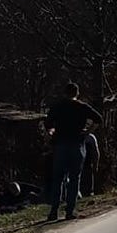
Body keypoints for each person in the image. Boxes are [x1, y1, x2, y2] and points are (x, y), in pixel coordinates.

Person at [44, 82, 103, 222]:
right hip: (77, 143)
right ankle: (70, 211)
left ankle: (54, 211)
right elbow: (98, 119)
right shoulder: (82, 107)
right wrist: (87, 132)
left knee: (58, 179)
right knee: (75, 178)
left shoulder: (57, 107)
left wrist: (52, 135)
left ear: (65, 93)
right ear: (77, 93)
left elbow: (48, 125)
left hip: (61, 145)